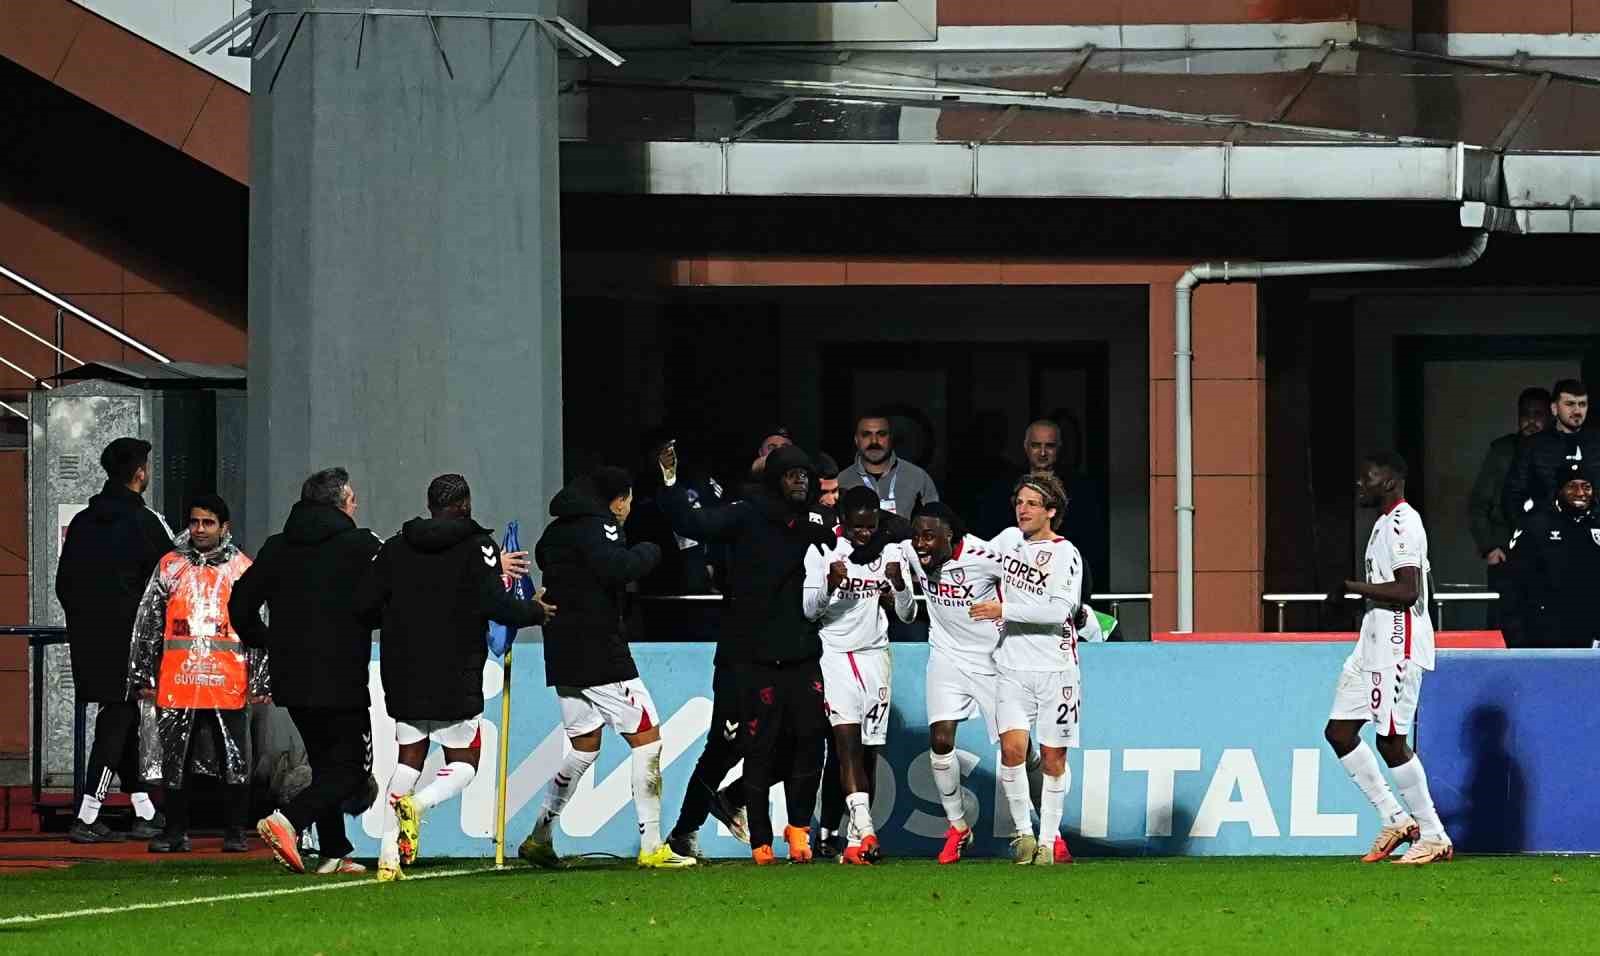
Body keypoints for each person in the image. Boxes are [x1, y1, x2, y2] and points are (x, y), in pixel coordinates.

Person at [353, 474, 553, 882]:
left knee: (409, 757)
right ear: (465, 504)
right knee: (464, 762)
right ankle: (419, 806)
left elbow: (364, 603)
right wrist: (535, 611)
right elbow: (496, 603)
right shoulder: (475, 546)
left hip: (403, 669)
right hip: (453, 668)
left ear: (430, 505)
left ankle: (388, 857)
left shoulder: (394, 547)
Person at [659, 444, 833, 864]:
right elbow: (693, 522)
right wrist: (669, 482)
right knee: (726, 745)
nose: (801, 482)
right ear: (775, 478)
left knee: (803, 742)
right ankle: (684, 832)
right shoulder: (746, 513)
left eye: (805, 476)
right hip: (743, 655)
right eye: (792, 475)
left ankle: (734, 798)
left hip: (793, 654)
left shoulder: (813, 522)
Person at [517, 466, 696, 869]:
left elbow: (547, 559)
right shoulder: (601, 527)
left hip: (562, 652)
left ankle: (540, 836)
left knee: (583, 748)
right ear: (617, 500)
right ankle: (652, 845)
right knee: (647, 739)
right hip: (600, 652)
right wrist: (651, 550)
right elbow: (616, 567)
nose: (628, 508)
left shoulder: (556, 531)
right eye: (628, 500)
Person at [230, 468, 383, 875]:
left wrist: (266, 640)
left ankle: (334, 851)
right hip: (342, 677)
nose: (356, 504)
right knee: (352, 770)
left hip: (292, 678)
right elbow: (382, 599)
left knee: (325, 765)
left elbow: (240, 604)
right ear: (338, 503)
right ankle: (289, 821)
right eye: (352, 498)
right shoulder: (361, 545)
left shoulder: (278, 547)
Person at [1323, 452, 1452, 865]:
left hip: (1399, 644)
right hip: (1372, 643)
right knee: (1340, 732)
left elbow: (1408, 590)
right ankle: (1395, 818)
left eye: (1369, 477)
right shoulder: (1382, 523)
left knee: (1391, 739)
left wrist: (1352, 587)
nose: (1361, 484)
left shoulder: (1402, 523)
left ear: (1392, 480)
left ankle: (1432, 834)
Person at [126, 494, 263, 854]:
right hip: (178, 681)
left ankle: (235, 831)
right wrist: (143, 675)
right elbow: (149, 623)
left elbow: (258, 625)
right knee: (175, 760)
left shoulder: (241, 569)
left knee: (234, 758)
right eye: (195, 522)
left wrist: (261, 679)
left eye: (208, 523)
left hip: (226, 680)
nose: (200, 529)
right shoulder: (170, 567)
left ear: (224, 528)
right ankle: (174, 831)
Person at [56, 437, 173, 843]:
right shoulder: (147, 522)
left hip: (91, 640)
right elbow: (169, 581)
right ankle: (88, 812)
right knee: (117, 722)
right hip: (134, 642)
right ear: (140, 473)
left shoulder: (84, 522)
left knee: (119, 718)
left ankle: (144, 809)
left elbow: (64, 584)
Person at [802, 486, 913, 865]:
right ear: (843, 521)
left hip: (875, 656)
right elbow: (808, 610)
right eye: (858, 527)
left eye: (871, 526)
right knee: (846, 743)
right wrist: (831, 586)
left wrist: (898, 585)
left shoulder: (892, 552)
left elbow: (909, 613)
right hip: (833, 654)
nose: (865, 534)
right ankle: (866, 830)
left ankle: (853, 843)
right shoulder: (822, 550)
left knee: (869, 750)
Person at [980, 472, 1086, 865]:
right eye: (1019, 502)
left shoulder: (1065, 553)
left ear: (1051, 512)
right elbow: (975, 561)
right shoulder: (1007, 541)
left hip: (1056, 669)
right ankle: (1024, 836)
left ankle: (1049, 839)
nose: (1022, 509)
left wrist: (1004, 609)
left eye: (1031, 504)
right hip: (1011, 667)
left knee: (1053, 758)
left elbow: (1060, 611)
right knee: (1012, 750)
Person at [893, 502, 1007, 864]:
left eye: (928, 536)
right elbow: (908, 614)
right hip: (945, 657)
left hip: (992, 660)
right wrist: (899, 587)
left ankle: (1041, 831)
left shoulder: (986, 556)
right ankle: (958, 828)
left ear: (950, 536)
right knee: (940, 742)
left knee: (1016, 749)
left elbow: (1021, 588)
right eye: (916, 536)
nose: (920, 544)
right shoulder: (909, 553)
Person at [978, 418, 1107, 591]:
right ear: (1026, 447)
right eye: (1036, 445)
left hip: (1063, 575)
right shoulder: (1003, 486)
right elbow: (990, 531)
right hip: (1014, 575)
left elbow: (1091, 536)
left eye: (1050, 446)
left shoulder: (1080, 488)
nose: (1043, 452)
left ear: (1059, 448)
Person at [1468, 388, 1550, 640]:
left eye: (1538, 414)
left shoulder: (1559, 450)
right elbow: (1478, 503)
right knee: (1503, 626)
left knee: (1545, 624)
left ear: (1550, 415)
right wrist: (1489, 546)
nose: (1531, 421)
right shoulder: (1502, 451)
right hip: (1505, 551)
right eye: (1525, 414)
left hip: (1548, 552)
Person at [1504, 463, 1600, 648]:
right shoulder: (1536, 525)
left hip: (1592, 632)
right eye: (1572, 486)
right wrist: (1516, 636)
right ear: (1559, 490)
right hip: (1545, 632)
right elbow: (1513, 583)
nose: (1581, 493)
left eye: (1586, 487)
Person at [1502, 380, 1600, 529]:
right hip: (1546, 538)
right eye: (1570, 404)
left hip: (1590, 538)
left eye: (1582, 404)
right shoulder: (1533, 446)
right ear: (1554, 408)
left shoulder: (1596, 444)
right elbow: (1513, 495)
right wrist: (1529, 532)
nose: (1577, 411)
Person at [837, 411, 939, 518]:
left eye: (881, 434)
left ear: (891, 438)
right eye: (866, 434)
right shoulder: (842, 480)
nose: (874, 441)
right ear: (856, 440)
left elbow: (934, 521)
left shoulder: (918, 477)